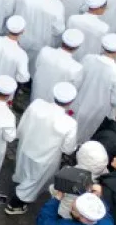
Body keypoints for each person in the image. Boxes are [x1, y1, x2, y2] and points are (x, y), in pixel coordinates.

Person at [6, 83, 79, 215]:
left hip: (26, 146)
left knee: (23, 169)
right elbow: (68, 149)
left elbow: (23, 123)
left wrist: (20, 136)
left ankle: (18, 185)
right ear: (71, 101)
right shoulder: (69, 123)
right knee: (33, 181)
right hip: (45, 157)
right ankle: (15, 204)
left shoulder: (37, 104)